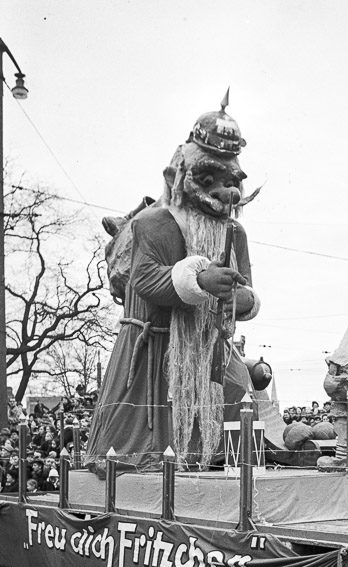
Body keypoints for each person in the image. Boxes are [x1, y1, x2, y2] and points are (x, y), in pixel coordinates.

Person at [85, 95, 261, 471]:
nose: (225, 192)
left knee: (238, 385)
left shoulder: (235, 232)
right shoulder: (152, 222)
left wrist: (240, 299)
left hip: (210, 344)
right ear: (176, 176)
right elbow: (145, 278)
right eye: (209, 178)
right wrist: (200, 279)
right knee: (143, 438)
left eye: (232, 182)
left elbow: (246, 292)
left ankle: (221, 461)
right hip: (154, 345)